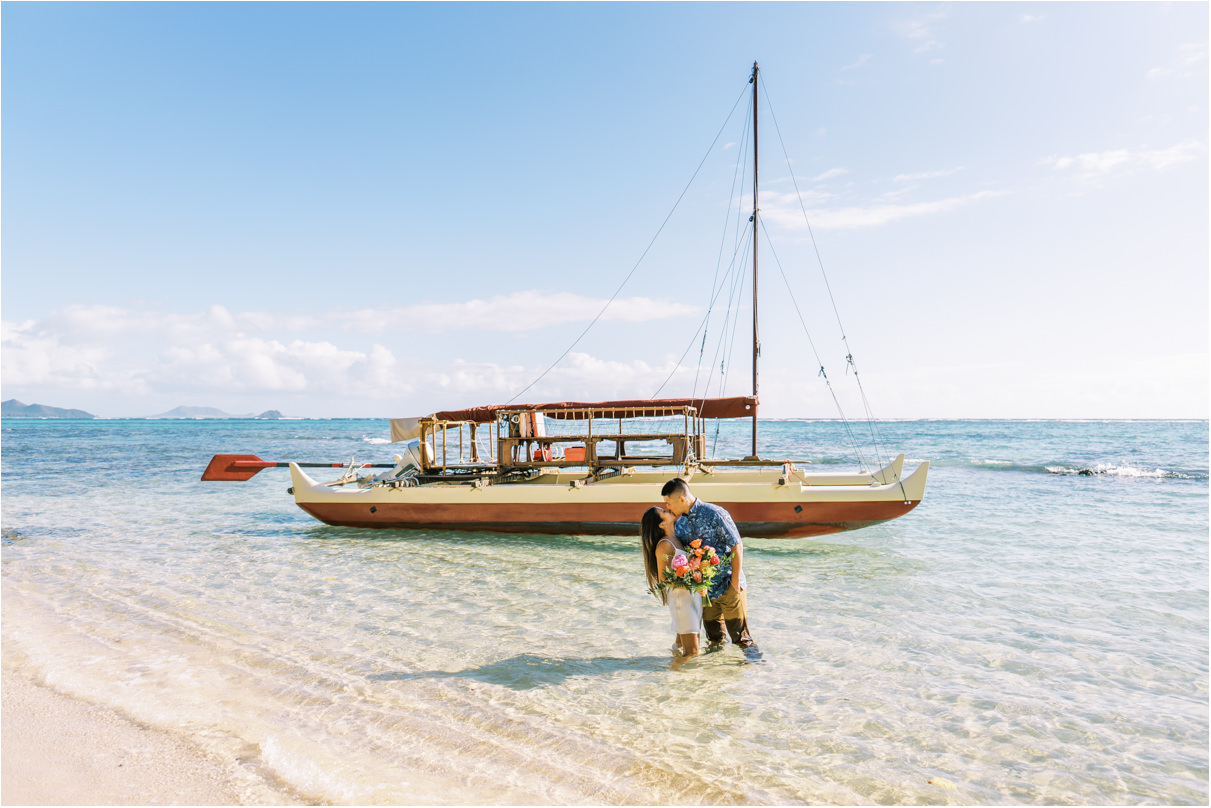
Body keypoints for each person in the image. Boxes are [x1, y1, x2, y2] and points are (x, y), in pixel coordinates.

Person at [661, 477, 755, 649]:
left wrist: (734, 584)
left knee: (741, 639)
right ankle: (714, 675)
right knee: (714, 640)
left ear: (681, 499)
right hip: (706, 592)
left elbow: (737, 545)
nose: (667, 507)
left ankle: (754, 671)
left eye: (668, 502)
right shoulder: (680, 524)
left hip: (729, 585)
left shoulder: (715, 513)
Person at [640, 506, 702, 657]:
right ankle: (681, 676)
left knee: (682, 645)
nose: (669, 510)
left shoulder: (676, 539)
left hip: (691, 597)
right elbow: (664, 579)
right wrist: (693, 584)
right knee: (692, 651)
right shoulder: (665, 545)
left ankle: (675, 675)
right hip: (682, 599)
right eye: (664, 512)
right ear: (661, 524)